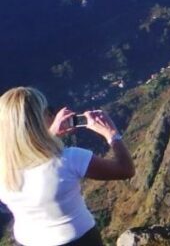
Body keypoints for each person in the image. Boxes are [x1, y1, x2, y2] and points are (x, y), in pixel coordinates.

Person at [0, 87, 135, 246]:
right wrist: (112, 135)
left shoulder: (4, 166)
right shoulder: (69, 158)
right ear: (39, 119)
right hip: (80, 241)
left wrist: (50, 136)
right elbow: (125, 169)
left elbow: (32, 163)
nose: (52, 115)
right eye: (48, 111)